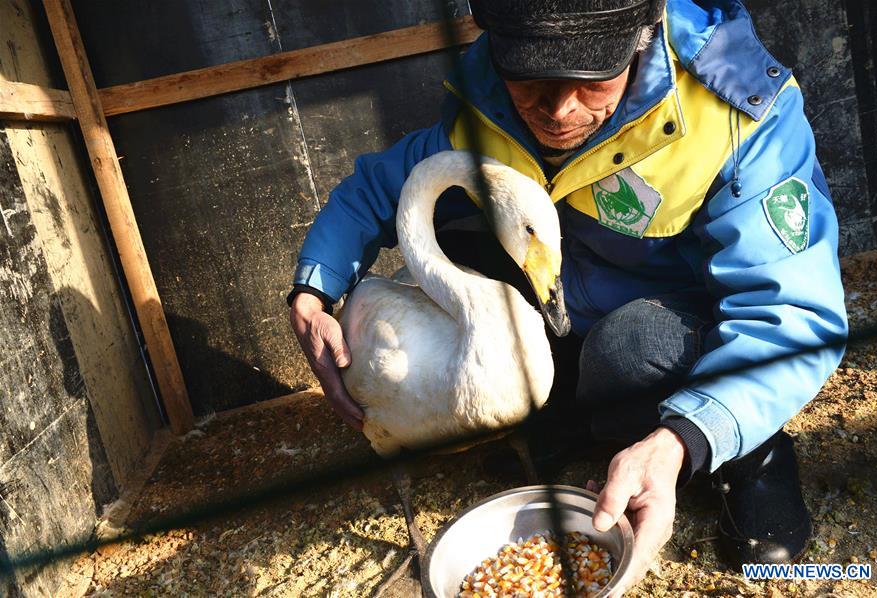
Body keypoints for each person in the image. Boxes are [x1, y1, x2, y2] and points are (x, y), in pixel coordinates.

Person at [288, 0, 848, 592]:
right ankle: (588, 422)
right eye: (531, 77)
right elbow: (381, 187)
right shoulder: (487, 100)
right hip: (561, 309)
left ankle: (739, 442)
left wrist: (686, 438)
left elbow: (790, 314)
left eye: (587, 79)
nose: (557, 110)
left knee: (628, 349)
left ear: (641, 36)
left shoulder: (738, 116)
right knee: (481, 289)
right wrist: (313, 288)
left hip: (673, 330)